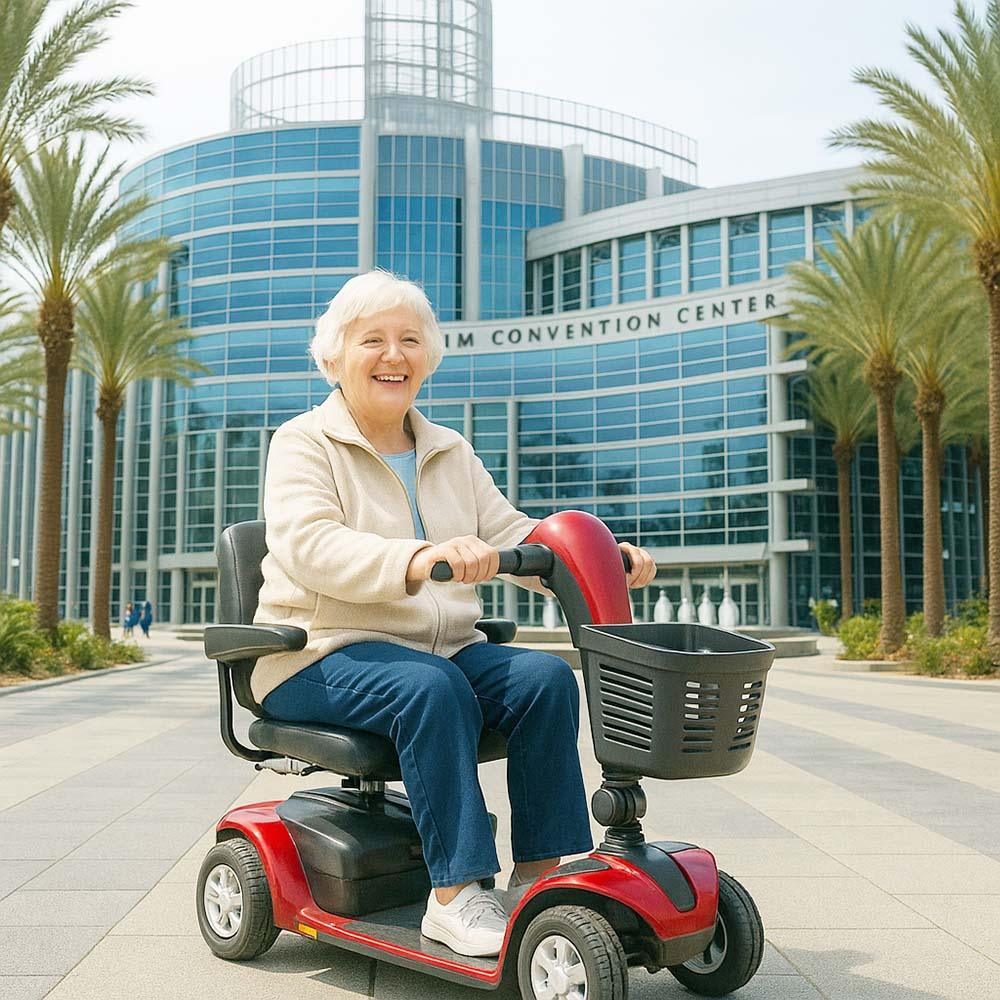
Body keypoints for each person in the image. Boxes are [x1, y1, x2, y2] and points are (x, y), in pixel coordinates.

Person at [252, 270, 656, 958]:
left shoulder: (448, 450)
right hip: (318, 651)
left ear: (428, 358)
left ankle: (540, 878)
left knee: (544, 680)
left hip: (436, 651)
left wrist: (597, 555)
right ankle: (456, 894)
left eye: (410, 339)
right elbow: (311, 546)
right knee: (429, 689)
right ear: (332, 358)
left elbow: (513, 533)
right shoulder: (303, 442)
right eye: (372, 340)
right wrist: (418, 558)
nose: (394, 355)